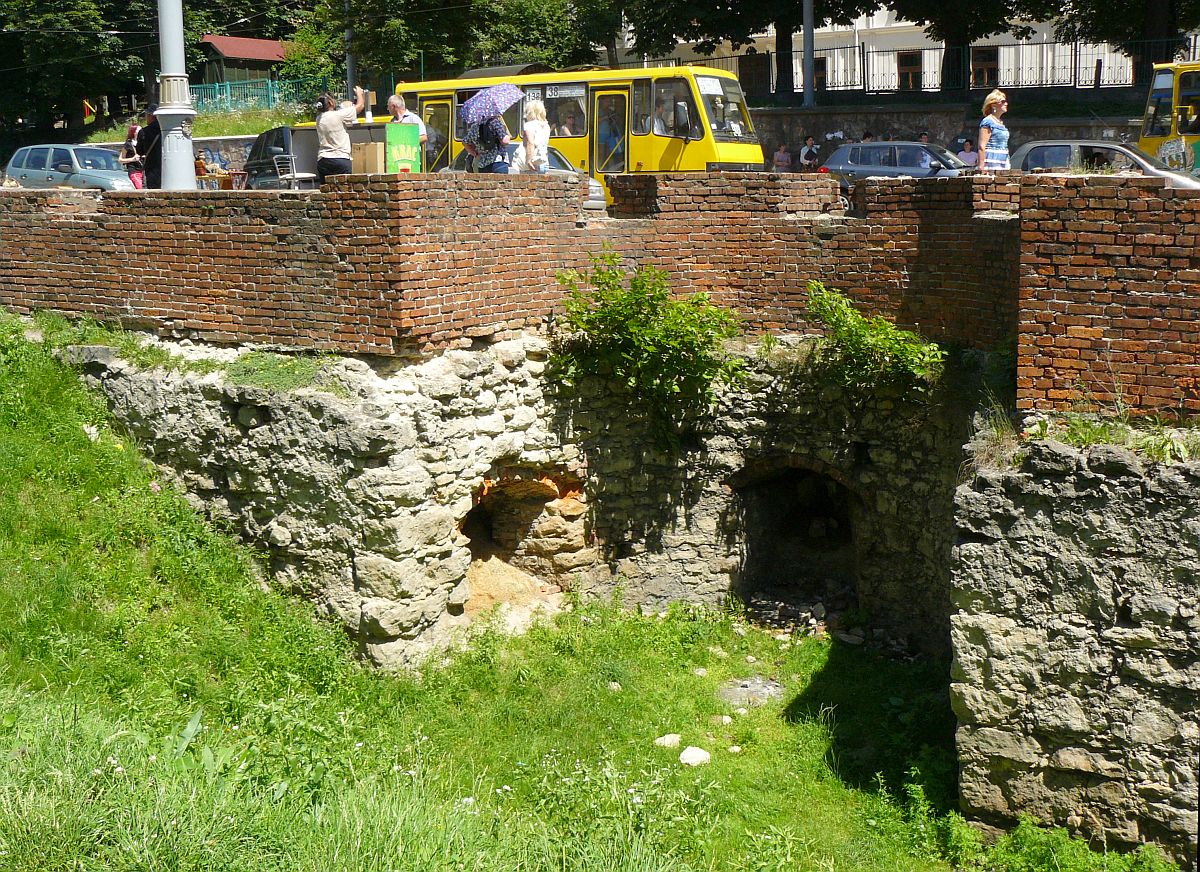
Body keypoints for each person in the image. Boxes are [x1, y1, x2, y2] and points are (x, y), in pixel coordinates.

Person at [315, 86, 366, 184]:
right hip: (340, 159)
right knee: (345, 193)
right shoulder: (338, 115)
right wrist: (359, 93)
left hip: (323, 160)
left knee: (327, 193)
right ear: (330, 103)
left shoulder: (319, 119)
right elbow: (360, 106)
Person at [978, 89, 1010, 171]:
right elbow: (982, 146)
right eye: (1002, 101)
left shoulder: (1000, 122)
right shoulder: (988, 121)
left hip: (1003, 159)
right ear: (993, 105)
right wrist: (981, 167)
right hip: (991, 160)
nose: (1006, 104)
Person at [135, 106, 162, 189]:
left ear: (151, 116)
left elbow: (140, 151)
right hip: (167, 167)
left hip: (152, 168)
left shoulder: (144, 132)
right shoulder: (166, 130)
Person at [520, 99, 551, 173]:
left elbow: (530, 143)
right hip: (544, 162)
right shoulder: (546, 125)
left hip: (534, 162)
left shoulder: (529, 125)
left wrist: (529, 160)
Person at [118, 123, 144, 189]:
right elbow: (120, 160)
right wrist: (132, 159)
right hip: (134, 171)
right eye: (139, 131)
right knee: (140, 189)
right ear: (134, 132)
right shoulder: (128, 144)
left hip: (143, 171)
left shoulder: (142, 143)